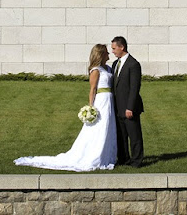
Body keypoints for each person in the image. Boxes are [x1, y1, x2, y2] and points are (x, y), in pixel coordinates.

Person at [13, 44, 117, 172]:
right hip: (101, 100)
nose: (109, 54)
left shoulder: (108, 68)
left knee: (108, 126)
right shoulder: (96, 70)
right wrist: (91, 107)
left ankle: (106, 154)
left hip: (109, 100)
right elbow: (93, 89)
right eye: (106, 52)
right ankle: (95, 155)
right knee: (99, 127)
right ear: (101, 54)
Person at [111, 36, 144, 168]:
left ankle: (137, 160)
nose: (112, 51)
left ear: (122, 47)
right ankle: (123, 158)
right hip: (117, 106)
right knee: (121, 135)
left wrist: (130, 107)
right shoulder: (115, 64)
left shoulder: (133, 64)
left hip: (129, 108)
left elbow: (135, 88)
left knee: (134, 135)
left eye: (114, 48)